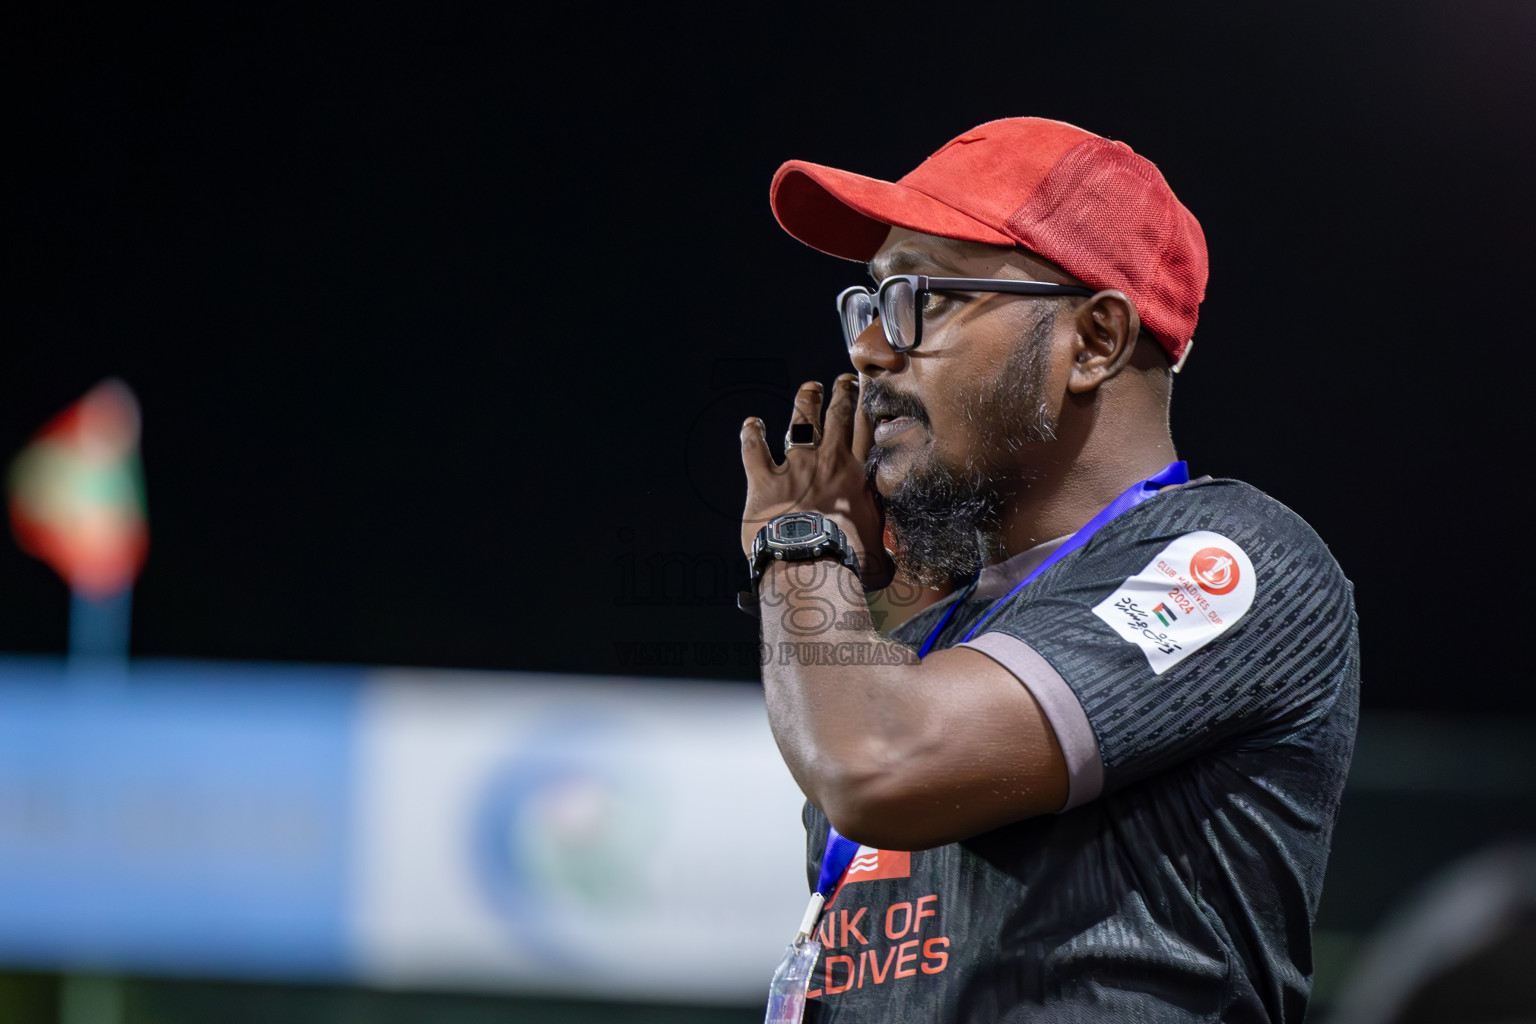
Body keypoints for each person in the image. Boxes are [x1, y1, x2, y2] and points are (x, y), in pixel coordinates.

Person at [737, 117, 1360, 1023]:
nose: (870, 348)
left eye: (924, 298)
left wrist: (799, 543)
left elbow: (874, 763)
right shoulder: (931, 634)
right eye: (870, 302)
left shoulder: (1234, 557)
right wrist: (869, 595)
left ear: (1096, 339)